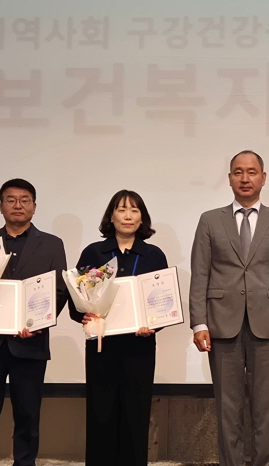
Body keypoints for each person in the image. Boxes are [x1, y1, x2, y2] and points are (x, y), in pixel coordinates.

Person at [189, 150, 269, 466]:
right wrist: (199, 323)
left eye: (252, 172)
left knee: (265, 407)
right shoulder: (210, 220)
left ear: (263, 178)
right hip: (221, 324)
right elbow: (200, 273)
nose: (245, 178)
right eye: (238, 172)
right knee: (227, 408)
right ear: (229, 178)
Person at [0, 178, 68, 466]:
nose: (17, 205)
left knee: (28, 416)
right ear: (0, 206)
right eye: (11, 200)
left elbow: (59, 291)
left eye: (24, 200)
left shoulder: (52, 244)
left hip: (30, 341)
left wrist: (39, 323)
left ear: (34, 206)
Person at [70, 190, 168, 466]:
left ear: (142, 218)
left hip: (139, 347)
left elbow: (163, 302)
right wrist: (85, 316)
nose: (128, 216)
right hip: (103, 348)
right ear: (111, 216)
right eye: (122, 209)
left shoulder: (153, 255)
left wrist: (153, 325)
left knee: (136, 415)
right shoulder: (94, 252)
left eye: (134, 210)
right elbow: (77, 300)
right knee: (101, 414)